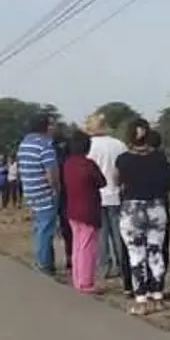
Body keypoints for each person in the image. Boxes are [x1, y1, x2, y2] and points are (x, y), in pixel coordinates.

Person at [114, 118, 170, 315]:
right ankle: (157, 296)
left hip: (132, 209)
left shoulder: (123, 159)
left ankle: (141, 299)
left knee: (136, 254)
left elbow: (117, 181)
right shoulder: (159, 157)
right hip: (156, 207)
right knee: (155, 252)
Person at [85, 113, 129, 287]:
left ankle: (104, 266)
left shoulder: (90, 146)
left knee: (101, 233)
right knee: (119, 232)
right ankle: (121, 263)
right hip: (117, 192)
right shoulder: (119, 144)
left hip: (98, 194)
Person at [62, 131, 106, 294]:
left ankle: (78, 279)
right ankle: (86, 282)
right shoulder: (88, 164)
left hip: (73, 209)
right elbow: (102, 182)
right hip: (88, 209)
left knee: (77, 245)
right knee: (88, 246)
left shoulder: (68, 164)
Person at [18, 113, 60, 275]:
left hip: (30, 191)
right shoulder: (45, 146)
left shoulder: (25, 144)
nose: (54, 128)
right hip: (44, 192)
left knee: (40, 228)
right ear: (45, 127)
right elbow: (51, 173)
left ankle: (46, 261)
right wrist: (56, 188)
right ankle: (43, 263)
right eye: (52, 125)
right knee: (46, 229)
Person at [147, 129, 170, 301]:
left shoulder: (131, 160)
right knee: (160, 249)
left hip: (136, 209)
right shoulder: (162, 161)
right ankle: (158, 286)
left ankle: (143, 289)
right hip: (159, 206)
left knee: (141, 250)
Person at [53, 131, 74, 271]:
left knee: (62, 227)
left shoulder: (54, 157)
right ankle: (71, 256)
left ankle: (67, 257)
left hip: (58, 194)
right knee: (71, 228)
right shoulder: (70, 159)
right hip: (71, 194)